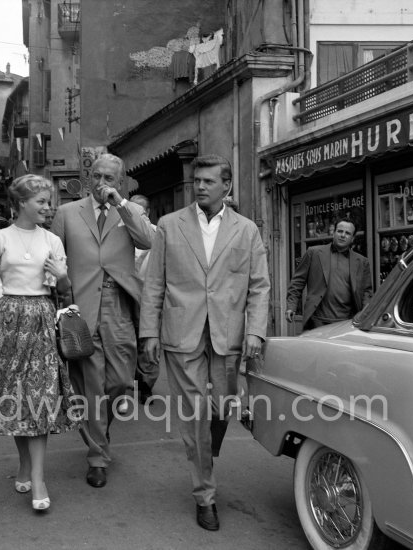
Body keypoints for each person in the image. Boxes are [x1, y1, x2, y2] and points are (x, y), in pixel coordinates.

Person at [139, 154, 270, 531]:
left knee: (222, 406)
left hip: (228, 334)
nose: (199, 186)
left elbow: (259, 286)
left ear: (226, 186)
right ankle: (205, 494)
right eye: (197, 180)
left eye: (208, 181)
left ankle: (204, 450)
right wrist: (149, 331)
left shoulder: (247, 231)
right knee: (194, 413)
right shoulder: (168, 225)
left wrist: (255, 332)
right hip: (182, 334)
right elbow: (155, 284)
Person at [0, 174, 79, 512]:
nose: (48, 208)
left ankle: (38, 478)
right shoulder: (0, 238)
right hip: (7, 319)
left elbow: (63, 289)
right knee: (16, 398)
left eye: (49, 202)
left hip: (41, 318)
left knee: (39, 396)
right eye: (41, 202)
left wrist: (61, 273)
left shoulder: (52, 240)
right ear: (21, 203)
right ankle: (24, 465)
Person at [50, 153, 154, 489]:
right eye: (96, 176)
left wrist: (121, 204)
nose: (101, 183)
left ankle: (99, 426)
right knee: (92, 387)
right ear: (87, 175)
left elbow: (148, 240)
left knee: (121, 382)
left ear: (120, 181)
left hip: (119, 306)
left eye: (109, 178)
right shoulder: (67, 213)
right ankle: (98, 457)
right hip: (81, 308)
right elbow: (54, 261)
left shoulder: (130, 212)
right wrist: (61, 302)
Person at [285, 218, 373, 331]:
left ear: (353, 238)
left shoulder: (362, 262)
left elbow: (367, 292)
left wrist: (365, 316)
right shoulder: (313, 253)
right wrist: (291, 306)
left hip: (347, 323)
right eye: (340, 231)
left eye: (347, 233)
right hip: (316, 321)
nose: (342, 235)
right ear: (333, 233)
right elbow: (297, 282)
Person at [129, 194, 158, 405]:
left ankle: (146, 384)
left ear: (146, 213)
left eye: (139, 211)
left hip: (150, 298)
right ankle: (129, 378)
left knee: (149, 341)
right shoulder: (119, 234)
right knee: (127, 341)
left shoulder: (158, 234)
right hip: (125, 296)